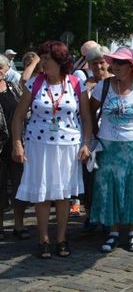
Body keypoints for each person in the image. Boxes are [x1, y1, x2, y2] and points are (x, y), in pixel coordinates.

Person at [11, 41, 92, 258]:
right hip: (39, 146)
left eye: (46, 59)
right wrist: (17, 144)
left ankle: (62, 238)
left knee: (64, 194)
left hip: (69, 146)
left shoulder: (76, 83)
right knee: (42, 194)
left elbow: (85, 117)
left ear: (59, 60)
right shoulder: (35, 84)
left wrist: (86, 143)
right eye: (41, 58)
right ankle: (43, 239)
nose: (42, 63)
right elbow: (18, 117)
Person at [89, 47, 133, 253]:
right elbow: (90, 112)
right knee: (110, 188)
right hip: (108, 146)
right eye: (114, 62)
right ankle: (113, 232)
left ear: (131, 67)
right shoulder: (103, 86)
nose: (114, 66)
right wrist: (95, 135)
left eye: (120, 63)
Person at [80, 44, 113, 234]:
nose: (99, 67)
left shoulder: (116, 82)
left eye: (102, 63)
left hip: (111, 138)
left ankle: (107, 217)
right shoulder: (86, 85)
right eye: (94, 64)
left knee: (107, 178)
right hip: (91, 138)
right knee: (91, 179)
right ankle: (92, 214)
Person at [0, 55, 28, 241]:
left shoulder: (14, 87)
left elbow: (27, 110)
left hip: (17, 144)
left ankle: (19, 225)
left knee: (19, 187)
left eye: (0, 67)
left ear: (7, 68)